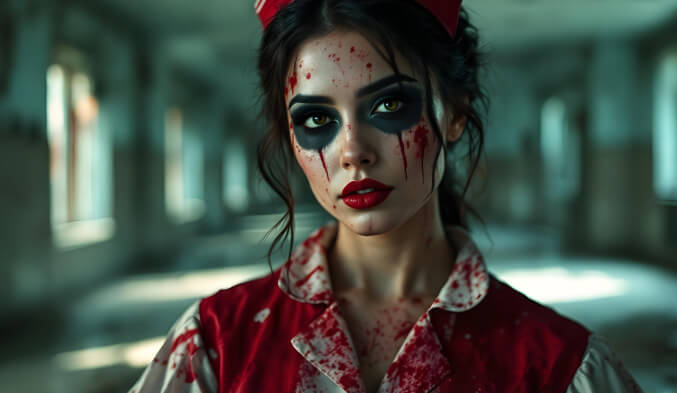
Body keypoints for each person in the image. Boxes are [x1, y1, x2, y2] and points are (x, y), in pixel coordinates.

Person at [129, 0, 644, 392]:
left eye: (389, 104)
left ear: (457, 110)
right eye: (315, 119)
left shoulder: (560, 366)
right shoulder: (215, 344)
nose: (352, 151)